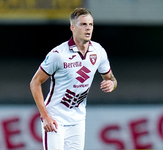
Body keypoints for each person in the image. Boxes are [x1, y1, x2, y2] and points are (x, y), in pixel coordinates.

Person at [30, 7, 117, 150]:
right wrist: (45, 117)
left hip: (77, 120)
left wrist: (111, 84)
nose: (88, 28)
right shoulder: (58, 54)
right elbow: (35, 82)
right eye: (83, 24)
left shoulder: (98, 51)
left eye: (90, 24)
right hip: (55, 119)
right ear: (72, 27)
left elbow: (111, 79)